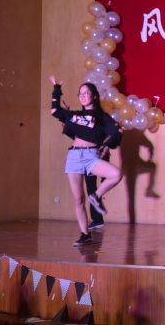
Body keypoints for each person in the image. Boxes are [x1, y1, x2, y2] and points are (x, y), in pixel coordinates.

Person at [50, 75, 123, 246]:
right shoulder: (75, 115)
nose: (82, 96)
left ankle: (96, 196)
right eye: (80, 94)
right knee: (78, 200)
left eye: (86, 93)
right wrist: (56, 90)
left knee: (116, 174)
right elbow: (55, 111)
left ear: (94, 96)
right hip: (74, 156)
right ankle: (85, 234)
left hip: (91, 156)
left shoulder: (102, 117)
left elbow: (116, 131)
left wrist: (107, 144)